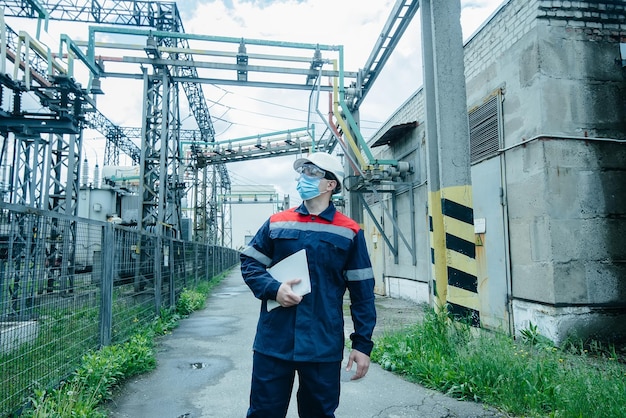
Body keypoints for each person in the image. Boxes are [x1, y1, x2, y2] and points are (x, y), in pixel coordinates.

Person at [240, 152, 377, 418]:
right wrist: (274, 289)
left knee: (319, 415)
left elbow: (362, 293)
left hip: (322, 344)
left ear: (331, 184)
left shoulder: (349, 231)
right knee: (263, 413)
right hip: (274, 341)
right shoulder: (277, 222)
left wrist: (362, 345)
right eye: (302, 172)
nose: (304, 177)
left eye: (312, 172)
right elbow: (250, 263)